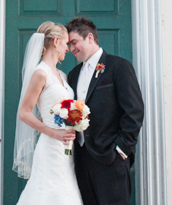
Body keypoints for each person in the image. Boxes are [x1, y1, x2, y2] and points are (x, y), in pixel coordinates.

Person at [66, 17, 144, 205]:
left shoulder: (119, 67)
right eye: (68, 44)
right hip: (82, 159)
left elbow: (134, 110)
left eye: (74, 42)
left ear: (89, 37)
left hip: (111, 158)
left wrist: (122, 149)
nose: (71, 49)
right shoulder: (73, 75)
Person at [13, 21, 83, 205]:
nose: (68, 49)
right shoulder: (40, 73)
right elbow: (24, 113)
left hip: (66, 149)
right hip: (50, 146)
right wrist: (54, 132)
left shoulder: (62, 75)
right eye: (66, 43)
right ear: (55, 41)